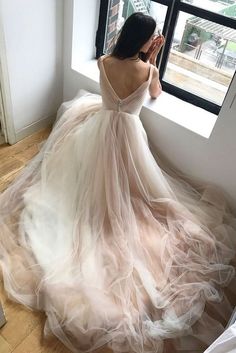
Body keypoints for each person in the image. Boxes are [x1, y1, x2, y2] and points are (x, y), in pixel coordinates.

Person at [0, 12, 235, 353]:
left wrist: (141, 53)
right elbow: (156, 94)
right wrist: (151, 59)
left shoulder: (104, 61)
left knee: (80, 181)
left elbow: (116, 70)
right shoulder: (149, 70)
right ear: (144, 40)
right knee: (136, 193)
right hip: (128, 137)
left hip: (98, 130)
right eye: (151, 37)